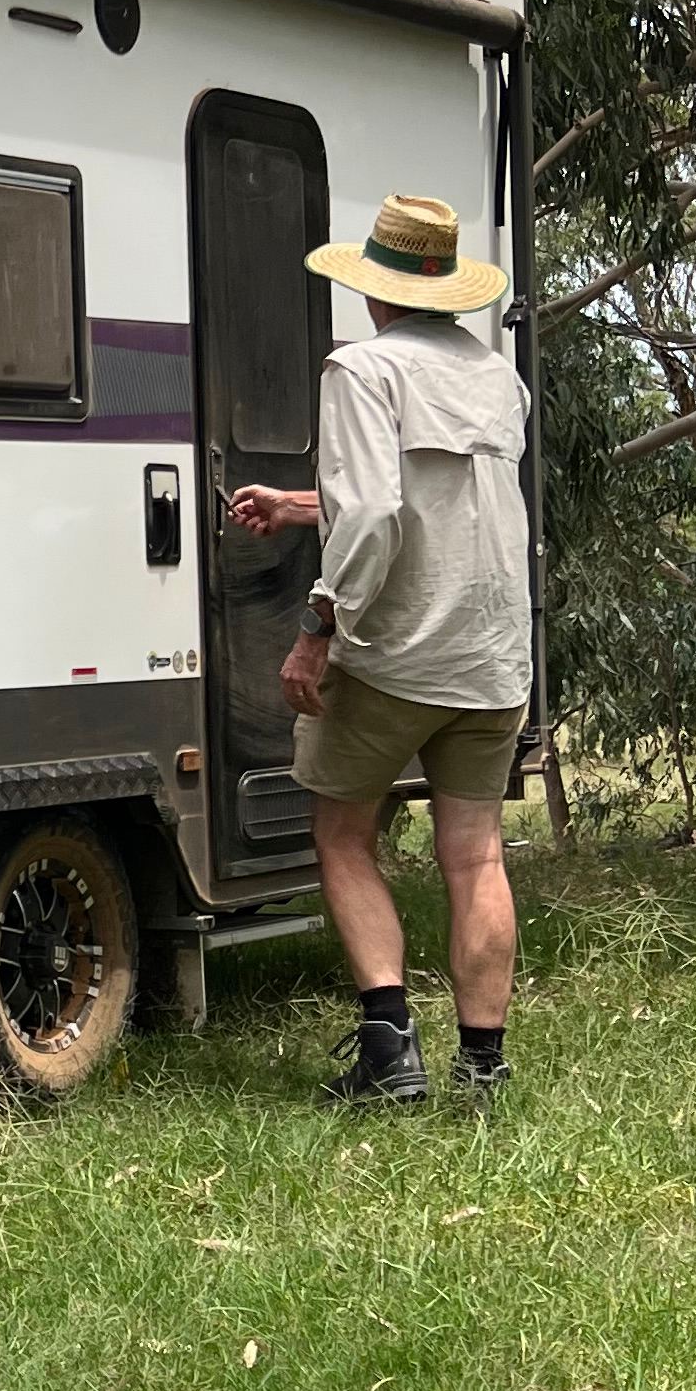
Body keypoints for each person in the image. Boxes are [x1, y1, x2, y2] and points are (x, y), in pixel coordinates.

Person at [224, 191, 531, 1104]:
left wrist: (317, 630)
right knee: (475, 854)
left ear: (376, 288)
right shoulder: (496, 379)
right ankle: (483, 1068)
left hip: (397, 654)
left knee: (342, 831)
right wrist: (299, 505)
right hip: (492, 660)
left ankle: (389, 1050)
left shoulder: (360, 370)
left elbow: (377, 516)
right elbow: (424, 506)